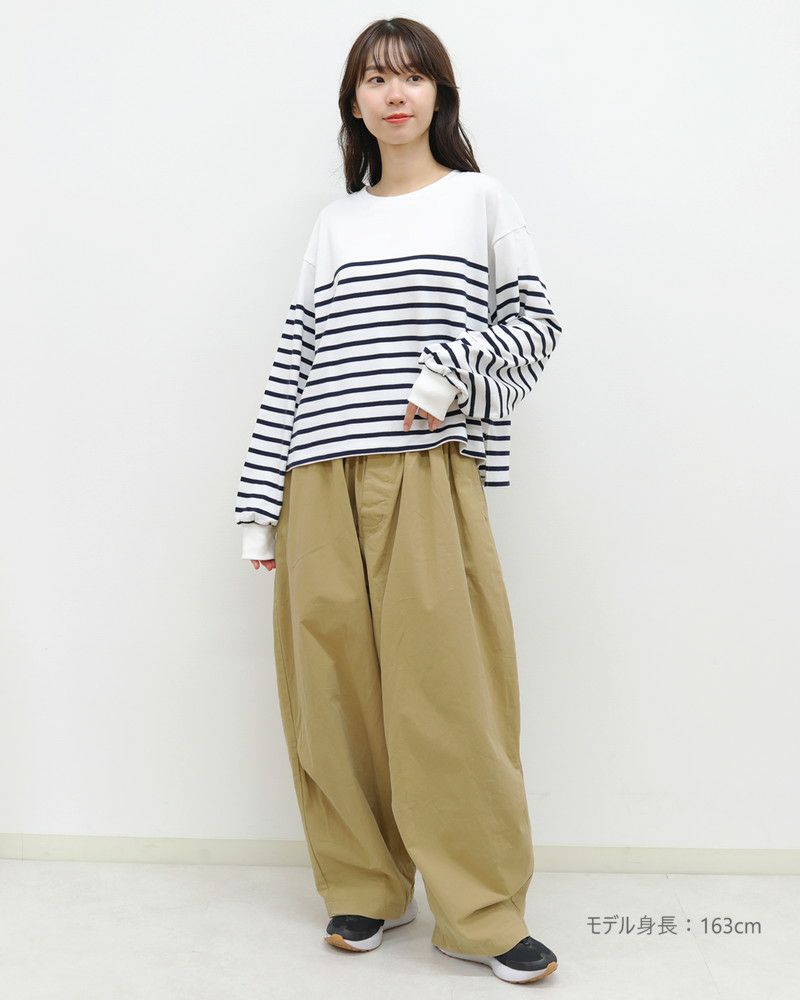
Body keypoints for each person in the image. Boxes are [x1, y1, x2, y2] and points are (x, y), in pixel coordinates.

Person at [234, 16, 563, 986]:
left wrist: (449, 374)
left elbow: (537, 321)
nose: (394, 94)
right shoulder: (335, 223)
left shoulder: (478, 200)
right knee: (329, 696)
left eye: (411, 77)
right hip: (316, 474)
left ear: (438, 94)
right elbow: (294, 362)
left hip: (425, 469)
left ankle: (480, 912)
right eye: (375, 79)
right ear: (354, 101)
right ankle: (364, 887)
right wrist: (258, 502)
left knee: (447, 693)